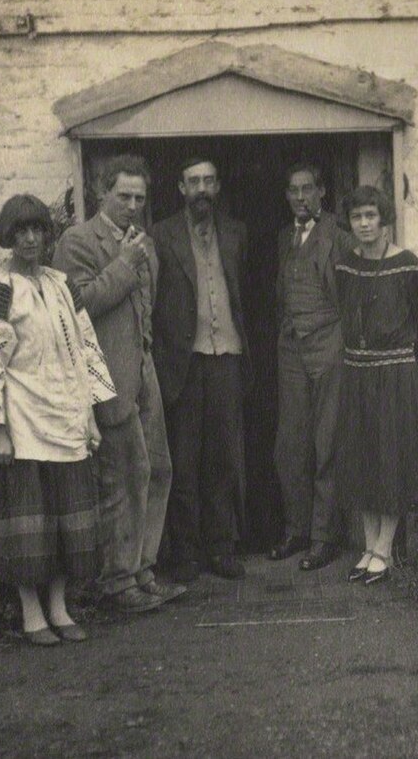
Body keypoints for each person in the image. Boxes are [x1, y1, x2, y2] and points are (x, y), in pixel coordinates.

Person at [0, 194, 117, 646]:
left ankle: (60, 608)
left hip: (65, 414)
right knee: (29, 525)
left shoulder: (61, 284)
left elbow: (86, 348)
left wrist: (89, 415)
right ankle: (33, 615)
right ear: (9, 239)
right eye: (21, 232)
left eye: (37, 230)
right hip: (24, 421)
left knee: (67, 520)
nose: (30, 239)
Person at [53, 155, 185, 612]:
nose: (133, 205)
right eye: (124, 196)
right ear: (101, 194)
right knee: (122, 476)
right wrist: (127, 263)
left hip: (143, 369)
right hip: (105, 375)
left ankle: (143, 569)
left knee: (158, 469)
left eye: (140, 198)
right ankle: (117, 581)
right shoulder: (77, 241)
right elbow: (78, 304)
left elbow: (148, 302)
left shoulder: (140, 242)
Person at [152, 156, 252, 582]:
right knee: (186, 459)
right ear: (180, 187)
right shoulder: (160, 234)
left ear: (217, 187)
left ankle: (221, 548)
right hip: (183, 361)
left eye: (209, 181)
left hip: (227, 356)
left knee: (223, 459)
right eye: (194, 181)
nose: (202, 190)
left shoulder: (237, 233)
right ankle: (187, 553)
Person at [335, 186, 418, 584]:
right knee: (362, 456)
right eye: (357, 217)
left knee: (390, 458)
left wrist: (415, 370)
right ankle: (368, 546)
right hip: (358, 373)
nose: (364, 224)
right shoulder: (345, 266)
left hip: (396, 373)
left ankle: (384, 549)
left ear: (384, 220)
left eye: (371, 217)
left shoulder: (408, 266)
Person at [270, 162, 355, 570]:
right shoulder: (284, 237)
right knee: (291, 444)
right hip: (291, 347)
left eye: (307, 189)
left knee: (326, 443)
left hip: (328, 344)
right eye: (293, 190)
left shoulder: (338, 237)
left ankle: (324, 537)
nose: (300, 197)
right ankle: (297, 529)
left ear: (322, 192)